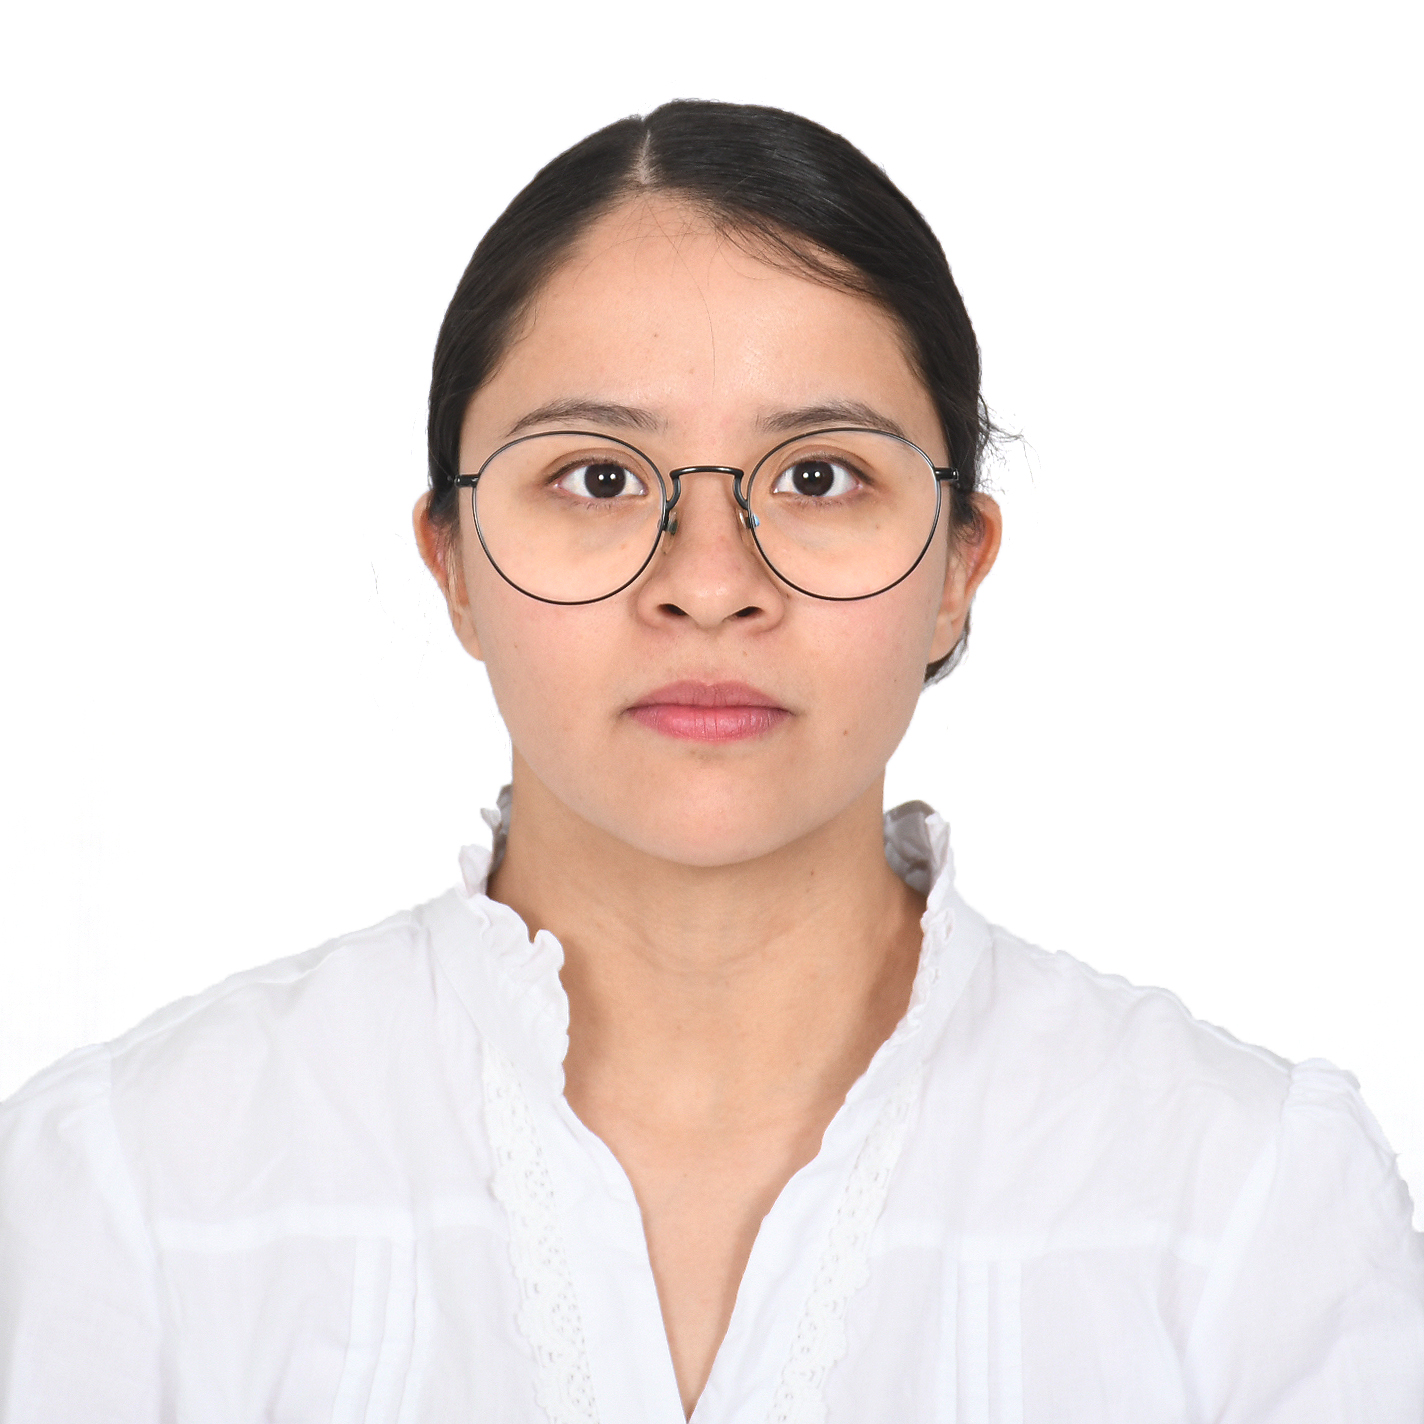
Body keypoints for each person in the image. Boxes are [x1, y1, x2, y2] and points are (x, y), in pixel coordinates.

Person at [1, 100, 1420, 1423]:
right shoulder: (131, 1191)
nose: (709, 585)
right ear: (454, 566)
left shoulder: (1245, 1203)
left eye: (818, 476)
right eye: (597, 478)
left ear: (955, 570)